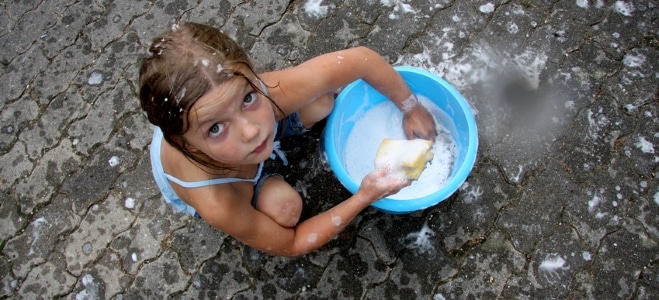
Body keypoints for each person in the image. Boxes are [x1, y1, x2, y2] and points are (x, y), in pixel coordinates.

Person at [139, 22, 437, 256]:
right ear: (188, 144)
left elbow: (363, 60)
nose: (251, 130)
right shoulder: (218, 201)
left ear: (254, 78)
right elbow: (292, 244)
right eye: (216, 128)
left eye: (248, 98)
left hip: (232, 145)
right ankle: (266, 175)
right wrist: (363, 197)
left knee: (323, 101)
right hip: (231, 178)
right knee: (285, 209)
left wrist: (411, 107)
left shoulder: (245, 90)